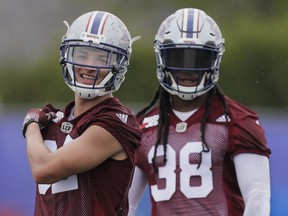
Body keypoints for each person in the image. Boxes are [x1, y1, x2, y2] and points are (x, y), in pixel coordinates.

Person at [128, 8, 271, 216]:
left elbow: (257, 196)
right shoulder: (143, 126)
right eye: (178, 58)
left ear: (214, 60)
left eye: (199, 58)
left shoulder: (237, 121)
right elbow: (126, 206)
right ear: (163, 58)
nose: (188, 69)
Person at [22, 11, 142, 216]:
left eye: (102, 58)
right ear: (67, 57)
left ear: (118, 65)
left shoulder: (115, 122)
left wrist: (31, 126)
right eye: (82, 54)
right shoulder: (57, 119)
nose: (89, 65)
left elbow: (43, 169)